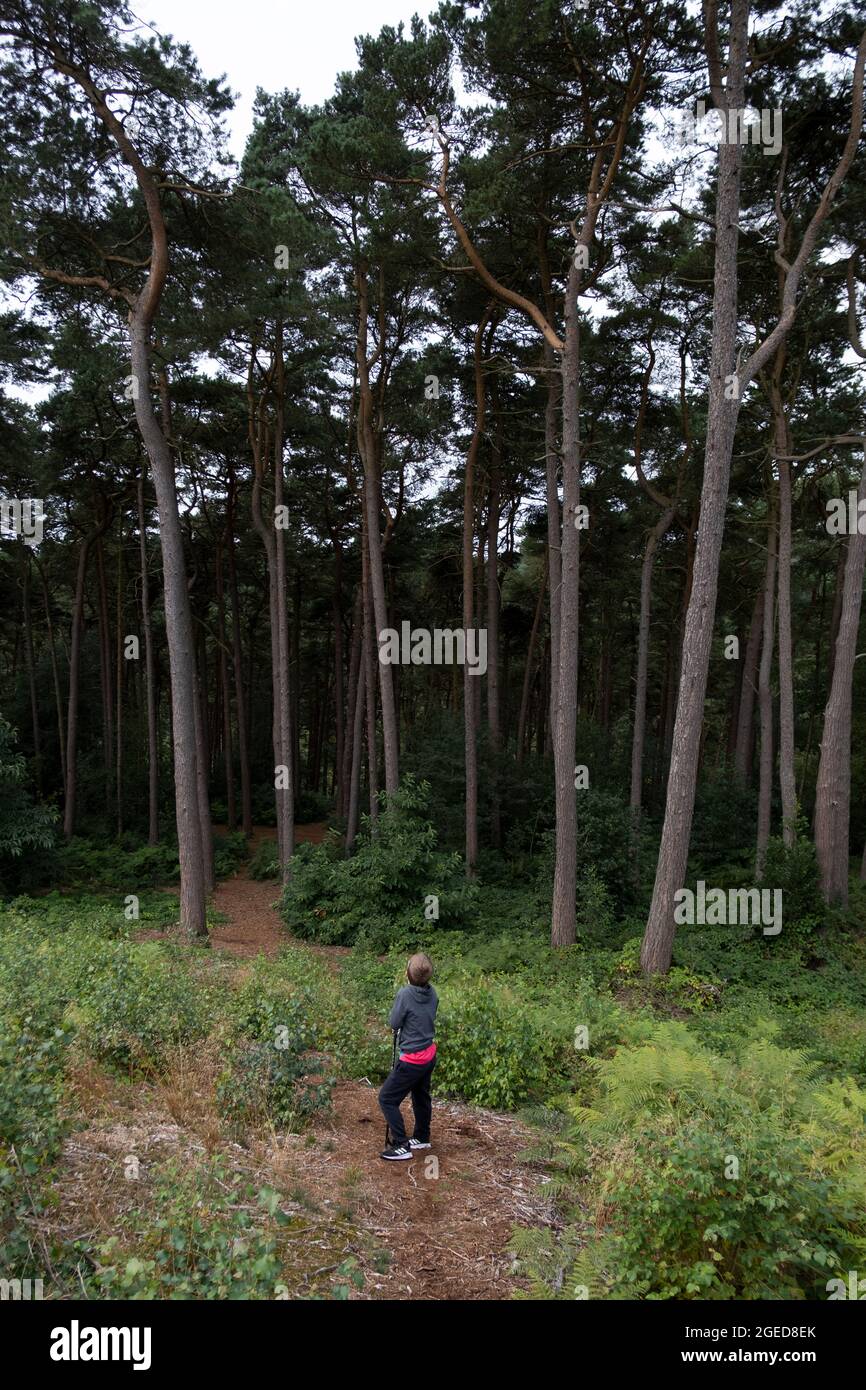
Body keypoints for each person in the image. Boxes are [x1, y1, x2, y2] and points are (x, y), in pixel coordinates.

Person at [378, 952, 438, 1161]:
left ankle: (401, 1144)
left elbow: (394, 1023)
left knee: (386, 1098)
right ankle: (422, 1136)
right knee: (421, 1095)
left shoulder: (404, 994)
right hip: (429, 1055)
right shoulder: (433, 994)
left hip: (412, 1059)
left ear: (408, 974)